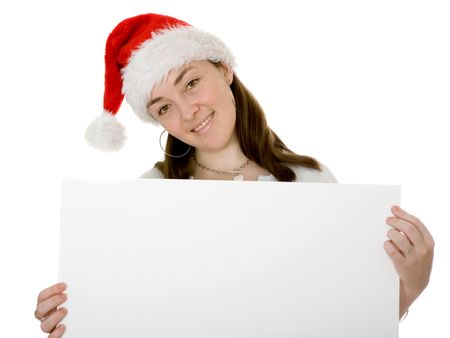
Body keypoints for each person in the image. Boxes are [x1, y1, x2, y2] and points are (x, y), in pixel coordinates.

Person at [34, 13, 435, 337]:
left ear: (225, 69)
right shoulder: (148, 197)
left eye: (191, 82)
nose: (187, 112)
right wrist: (77, 320)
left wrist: (409, 287)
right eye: (163, 108)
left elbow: (343, 324)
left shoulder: (312, 184)